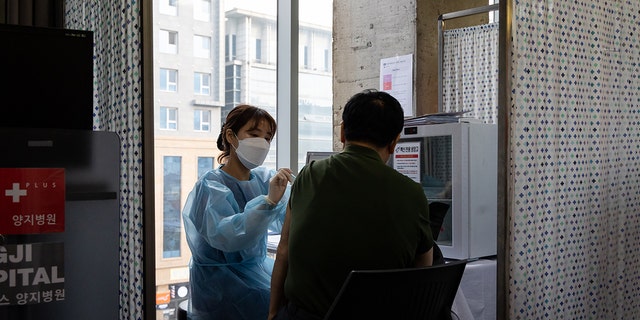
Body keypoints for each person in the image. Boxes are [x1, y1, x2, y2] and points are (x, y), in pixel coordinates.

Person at [269, 89, 434, 320]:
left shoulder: (310, 175)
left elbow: (283, 250)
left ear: (342, 131)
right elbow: (423, 272)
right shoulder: (412, 192)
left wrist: (273, 313)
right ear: (395, 141)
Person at [182, 104, 294, 320]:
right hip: (221, 285)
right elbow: (229, 236)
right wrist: (269, 201)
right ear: (231, 136)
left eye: (268, 138)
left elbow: (287, 220)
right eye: (254, 134)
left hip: (254, 272)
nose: (262, 143)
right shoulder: (210, 186)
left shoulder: (263, 178)